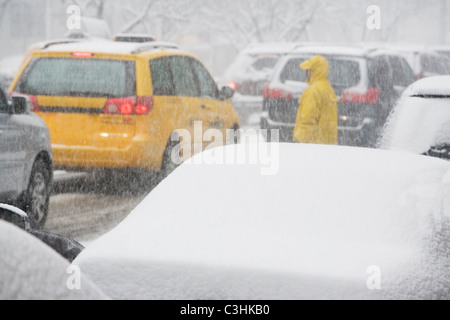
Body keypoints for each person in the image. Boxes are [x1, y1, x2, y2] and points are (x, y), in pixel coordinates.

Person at [293, 55, 338, 145]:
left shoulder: (313, 91)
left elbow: (308, 120)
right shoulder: (328, 88)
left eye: (309, 69)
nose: (306, 72)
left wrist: (299, 140)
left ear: (315, 70)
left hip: (313, 144)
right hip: (327, 143)